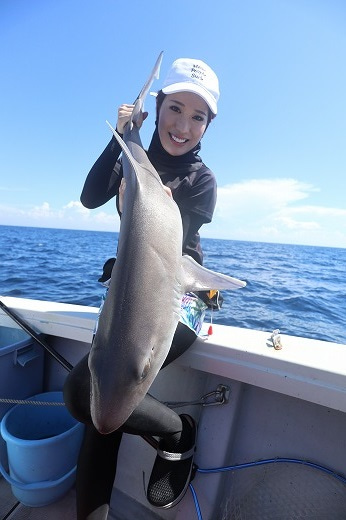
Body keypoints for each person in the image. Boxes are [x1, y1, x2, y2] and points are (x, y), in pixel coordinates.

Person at [63, 57, 220, 520]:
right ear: (157, 106)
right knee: (96, 407)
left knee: (91, 400)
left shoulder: (201, 180)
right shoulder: (134, 158)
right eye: (175, 108)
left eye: (198, 117)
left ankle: (177, 433)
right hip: (126, 291)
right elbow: (91, 197)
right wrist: (121, 138)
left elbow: (173, 252)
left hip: (182, 294)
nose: (183, 125)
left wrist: (155, 205)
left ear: (208, 126)